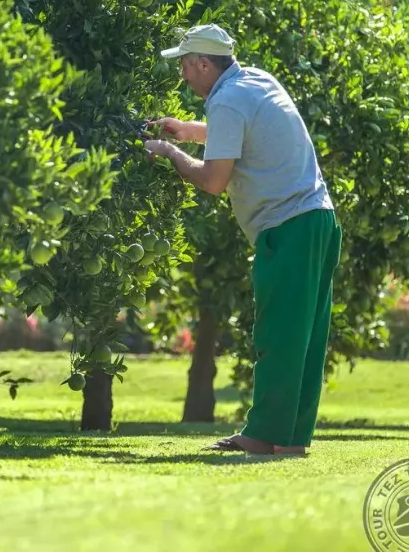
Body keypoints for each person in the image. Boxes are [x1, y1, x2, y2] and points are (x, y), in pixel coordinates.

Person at [144, 24, 342, 455]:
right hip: (319, 222)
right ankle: (289, 441)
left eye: (184, 65)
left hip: (287, 227)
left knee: (278, 334)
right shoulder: (255, 80)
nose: (183, 76)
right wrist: (185, 130)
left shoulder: (227, 101)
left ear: (202, 63)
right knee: (303, 338)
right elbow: (236, 132)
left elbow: (214, 180)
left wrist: (171, 153)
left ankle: (260, 436)